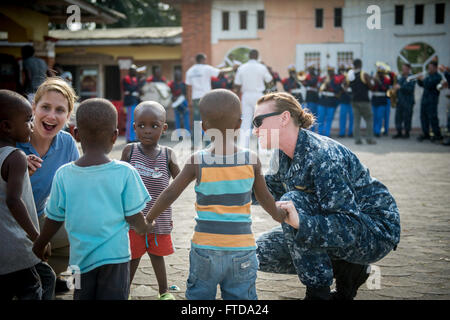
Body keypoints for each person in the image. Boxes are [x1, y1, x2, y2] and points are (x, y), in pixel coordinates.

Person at [253, 92, 400, 300]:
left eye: (258, 121)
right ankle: (347, 270)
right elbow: (269, 189)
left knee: (293, 202)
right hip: (338, 226)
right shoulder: (282, 153)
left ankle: (318, 293)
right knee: (258, 253)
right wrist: (228, 186)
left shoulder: (323, 156)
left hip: (374, 231)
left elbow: (349, 225)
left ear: (284, 118)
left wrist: (303, 222)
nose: (254, 130)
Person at [145, 89, 286, 300]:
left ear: (203, 128)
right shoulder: (252, 159)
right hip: (242, 249)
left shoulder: (197, 160)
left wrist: (149, 218)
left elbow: (171, 192)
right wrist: (278, 214)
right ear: (239, 124)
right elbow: (265, 197)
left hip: (205, 249)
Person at [32, 98, 154, 300]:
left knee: (81, 295)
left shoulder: (64, 174)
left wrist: (40, 243)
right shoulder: (125, 172)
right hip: (116, 259)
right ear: (115, 136)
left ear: (76, 134)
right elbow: (133, 215)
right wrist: (144, 227)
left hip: (80, 261)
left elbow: (54, 218)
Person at [17, 77, 79, 295]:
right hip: (7, 221)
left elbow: (76, 187)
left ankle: (43, 275)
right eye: (45, 107)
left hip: (39, 215)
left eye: (60, 110)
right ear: (33, 108)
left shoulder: (67, 142)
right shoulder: (13, 138)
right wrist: (14, 167)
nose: (52, 116)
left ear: (68, 116)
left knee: (84, 235)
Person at [121, 101, 181, 300]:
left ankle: (164, 292)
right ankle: (123, 292)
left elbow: (179, 182)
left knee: (157, 256)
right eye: (141, 125)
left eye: (154, 126)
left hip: (160, 220)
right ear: (134, 127)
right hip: (133, 220)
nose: (147, 131)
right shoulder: (129, 151)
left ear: (164, 128)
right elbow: (118, 180)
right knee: (133, 257)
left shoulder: (168, 155)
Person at [0, 90, 55, 300]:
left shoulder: (14, 159)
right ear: (6, 126)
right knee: (38, 286)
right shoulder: (16, 157)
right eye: (27, 120)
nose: (32, 126)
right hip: (16, 245)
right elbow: (13, 200)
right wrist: (38, 239)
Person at [233, 50, 273, 148]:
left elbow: (237, 85)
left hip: (246, 95)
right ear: (257, 56)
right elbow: (270, 81)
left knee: (245, 122)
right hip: (259, 95)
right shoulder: (262, 67)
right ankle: (262, 147)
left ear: (249, 56)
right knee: (261, 121)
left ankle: (243, 147)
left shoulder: (242, 67)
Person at [185, 53, 220, 132]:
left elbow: (188, 87)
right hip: (206, 98)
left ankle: (196, 142)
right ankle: (207, 143)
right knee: (207, 119)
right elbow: (220, 73)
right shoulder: (207, 68)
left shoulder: (190, 71)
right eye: (205, 59)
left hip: (195, 98)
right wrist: (233, 68)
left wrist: (189, 100)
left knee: (196, 121)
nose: (205, 61)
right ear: (201, 60)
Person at [348, 59, 376, 145]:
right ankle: (369, 139)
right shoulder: (364, 74)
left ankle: (357, 139)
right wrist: (373, 80)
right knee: (369, 119)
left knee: (356, 121)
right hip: (364, 101)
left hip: (354, 100)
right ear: (360, 64)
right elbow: (372, 87)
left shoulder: (350, 75)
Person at [417, 61, 443, 142]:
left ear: (435, 68)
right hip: (425, 100)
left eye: (430, 68)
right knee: (423, 117)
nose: (429, 69)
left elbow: (429, 84)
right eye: (428, 68)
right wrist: (419, 79)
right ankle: (426, 134)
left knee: (433, 118)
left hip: (432, 101)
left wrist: (423, 79)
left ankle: (437, 135)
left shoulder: (438, 77)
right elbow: (422, 85)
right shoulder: (428, 76)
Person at [393, 63, 415, 139]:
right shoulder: (401, 77)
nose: (403, 70)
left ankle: (407, 132)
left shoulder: (412, 77)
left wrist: (400, 87)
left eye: (405, 69)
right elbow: (397, 87)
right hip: (400, 101)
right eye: (402, 68)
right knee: (398, 117)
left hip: (408, 101)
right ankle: (399, 132)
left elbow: (410, 89)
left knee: (407, 117)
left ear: (409, 69)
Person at [317, 67, 341, 137]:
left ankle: (327, 134)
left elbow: (338, 89)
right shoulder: (324, 78)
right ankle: (319, 134)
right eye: (329, 71)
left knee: (329, 119)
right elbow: (318, 87)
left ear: (333, 72)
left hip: (331, 101)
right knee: (321, 118)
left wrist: (330, 85)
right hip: (323, 100)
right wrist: (322, 84)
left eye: (331, 71)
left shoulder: (336, 80)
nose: (330, 72)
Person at [123, 65, 143, 143]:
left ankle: (134, 137)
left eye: (135, 70)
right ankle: (129, 138)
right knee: (130, 121)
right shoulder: (126, 79)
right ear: (130, 71)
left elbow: (135, 89)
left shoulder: (135, 80)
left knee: (136, 121)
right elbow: (129, 89)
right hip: (130, 102)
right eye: (133, 70)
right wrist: (136, 86)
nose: (135, 72)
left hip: (136, 101)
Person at [371, 66, 392, 137]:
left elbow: (385, 88)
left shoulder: (386, 79)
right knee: (374, 117)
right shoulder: (374, 79)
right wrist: (373, 82)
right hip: (374, 100)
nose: (379, 74)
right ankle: (374, 130)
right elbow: (372, 88)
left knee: (380, 117)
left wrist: (379, 82)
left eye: (381, 72)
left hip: (382, 100)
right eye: (378, 72)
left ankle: (377, 131)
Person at [168, 70, 190, 136]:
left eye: (179, 74)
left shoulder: (183, 84)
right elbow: (169, 93)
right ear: (175, 76)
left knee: (186, 118)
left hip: (183, 102)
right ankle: (178, 135)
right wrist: (174, 97)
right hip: (176, 103)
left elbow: (186, 94)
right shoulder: (172, 84)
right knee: (177, 119)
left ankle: (187, 134)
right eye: (177, 75)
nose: (178, 76)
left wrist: (187, 101)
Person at [301, 64, 320, 133]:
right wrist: (303, 82)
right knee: (308, 114)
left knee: (313, 115)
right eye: (309, 69)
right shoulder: (308, 77)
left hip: (314, 98)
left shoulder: (315, 77)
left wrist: (305, 81)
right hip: (308, 98)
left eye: (311, 69)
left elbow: (312, 83)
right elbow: (306, 85)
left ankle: (314, 130)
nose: (309, 71)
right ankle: (309, 129)